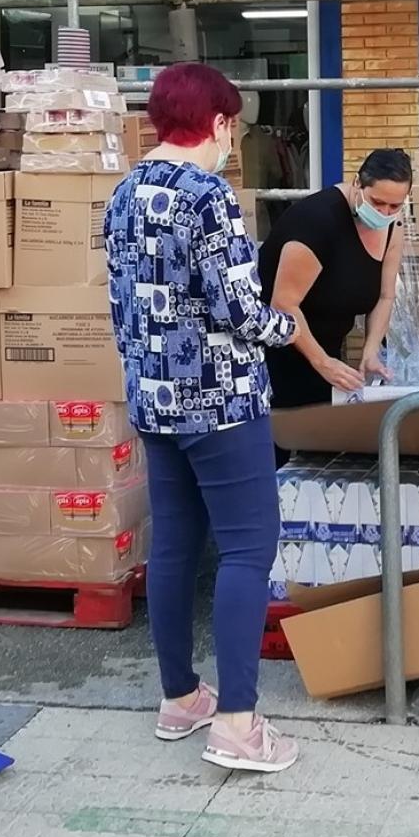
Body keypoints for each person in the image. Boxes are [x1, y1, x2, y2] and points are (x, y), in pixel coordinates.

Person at [104, 62, 303, 774]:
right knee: (249, 549)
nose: (233, 143)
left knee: (177, 547)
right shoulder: (209, 196)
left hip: (155, 400)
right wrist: (288, 327)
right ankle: (239, 725)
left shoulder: (125, 193)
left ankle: (180, 696)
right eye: (234, 129)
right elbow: (239, 312)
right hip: (220, 401)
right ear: (218, 123)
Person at [258, 148, 414, 414]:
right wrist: (323, 363)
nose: (385, 212)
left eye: (395, 206)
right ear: (357, 183)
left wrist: (370, 350)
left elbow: (386, 295)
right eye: (377, 203)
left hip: (328, 352)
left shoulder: (391, 224)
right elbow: (284, 304)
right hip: (276, 354)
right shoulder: (317, 221)